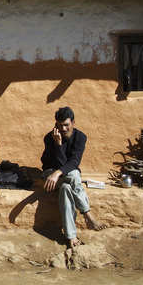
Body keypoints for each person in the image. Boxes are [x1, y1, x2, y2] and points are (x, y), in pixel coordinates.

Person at [40, 106, 106, 248]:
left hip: (61, 177)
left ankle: (70, 237)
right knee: (75, 174)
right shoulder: (49, 137)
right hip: (49, 174)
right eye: (59, 125)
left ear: (73, 123)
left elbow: (74, 162)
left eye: (66, 125)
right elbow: (51, 164)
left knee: (65, 188)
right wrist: (58, 145)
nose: (63, 129)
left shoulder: (80, 137)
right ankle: (88, 215)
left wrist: (58, 173)